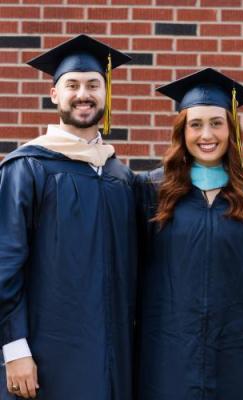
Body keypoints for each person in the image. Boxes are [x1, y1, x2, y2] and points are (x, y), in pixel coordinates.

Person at [0, 34, 137, 400]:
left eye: (93, 84)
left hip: (112, 354)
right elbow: (5, 264)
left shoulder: (119, 176)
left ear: (106, 93)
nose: (83, 94)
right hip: (46, 354)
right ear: (54, 94)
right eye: (72, 85)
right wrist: (13, 348)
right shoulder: (26, 167)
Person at [135, 68, 243, 400]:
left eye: (217, 122)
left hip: (240, 350)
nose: (207, 134)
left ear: (232, 130)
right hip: (169, 350)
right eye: (195, 124)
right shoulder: (152, 190)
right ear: (181, 131)